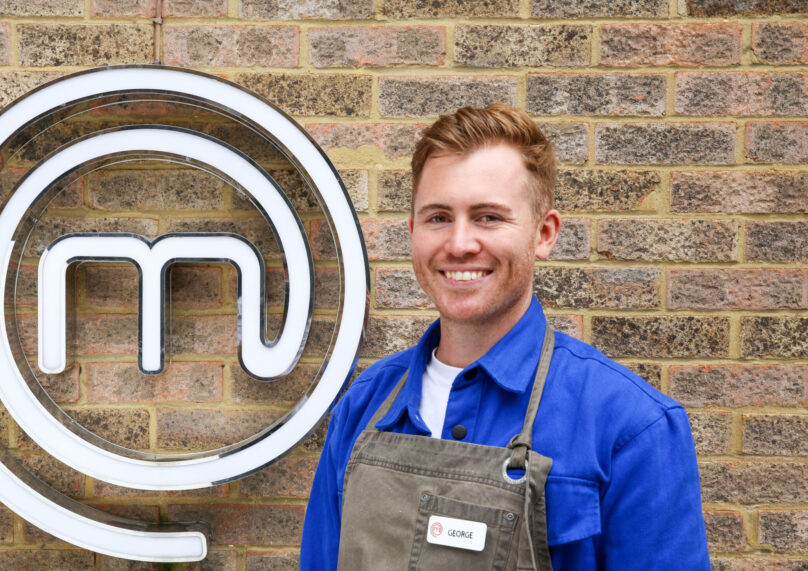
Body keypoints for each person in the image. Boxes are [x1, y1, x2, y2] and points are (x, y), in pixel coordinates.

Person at [300, 104, 710, 570]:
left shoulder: (630, 426)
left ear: (544, 233)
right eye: (437, 217)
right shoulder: (362, 407)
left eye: (488, 217)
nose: (459, 244)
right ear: (412, 231)